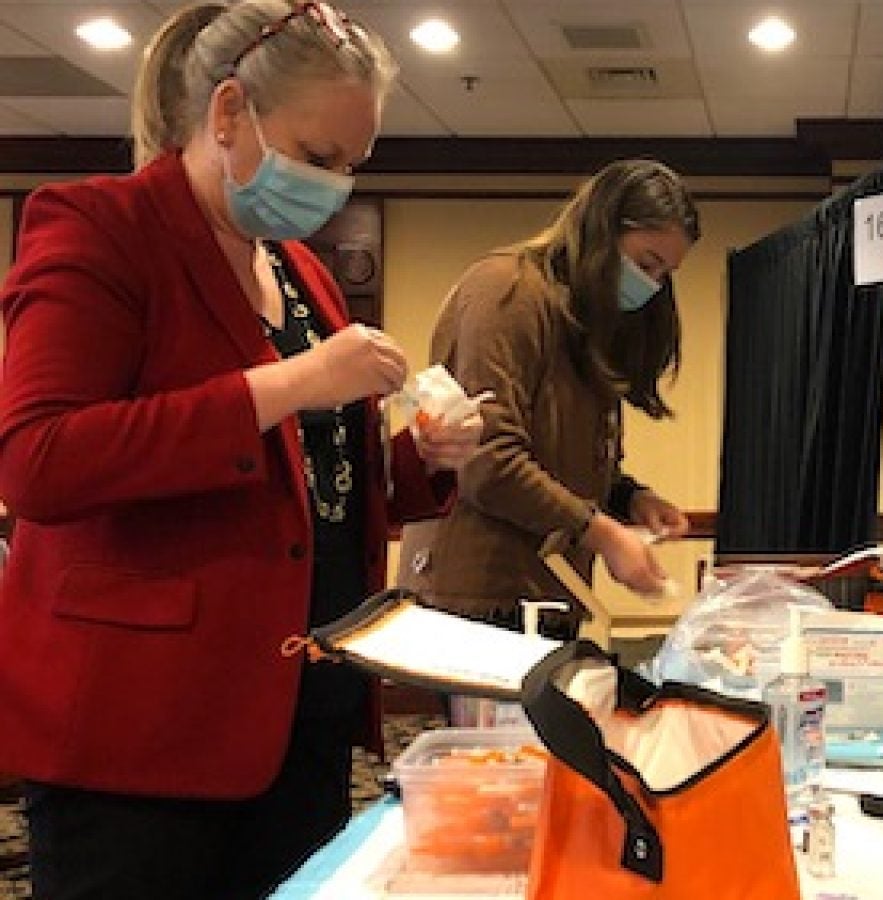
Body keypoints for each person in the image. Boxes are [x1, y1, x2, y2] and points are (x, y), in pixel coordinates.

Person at [0, 3, 481, 897]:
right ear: (229, 114)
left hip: (301, 713)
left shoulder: (299, 271)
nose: (335, 183)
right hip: (143, 738)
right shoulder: (98, 228)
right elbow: (40, 459)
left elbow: (315, 486)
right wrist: (293, 384)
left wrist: (422, 460)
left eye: (351, 165)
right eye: (320, 155)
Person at [398, 159, 699, 634]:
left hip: (546, 595)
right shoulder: (509, 294)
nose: (653, 285)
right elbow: (488, 460)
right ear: (602, 231)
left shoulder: (580, 317)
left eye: (664, 274)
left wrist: (628, 498)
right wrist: (602, 534)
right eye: (645, 264)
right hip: (481, 599)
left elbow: (559, 457)